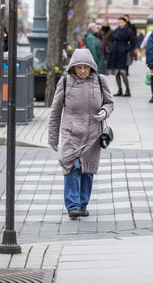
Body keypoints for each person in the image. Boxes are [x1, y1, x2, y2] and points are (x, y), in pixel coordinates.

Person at [48, 49, 114, 219]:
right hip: (71, 132)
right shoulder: (64, 82)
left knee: (87, 169)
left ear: (92, 67)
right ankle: (73, 206)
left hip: (93, 134)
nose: (83, 71)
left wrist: (104, 112)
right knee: (72, 167)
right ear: (73, 68)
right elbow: (55, 112)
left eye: (86, 67)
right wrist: (53, 137)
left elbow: (109, 103)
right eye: (79, 67)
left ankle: (83, 204)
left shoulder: (100, 81)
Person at [107, 17, 137, 96]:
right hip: (114, 53)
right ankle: (119, 90)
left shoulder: (129, 31)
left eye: (122, 22)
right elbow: (112, 40)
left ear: (125, 23)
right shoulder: (116, 30)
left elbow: (133, 43)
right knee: (116, 72)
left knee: (123, 72)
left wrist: (126, 49)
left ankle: (127, 90)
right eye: (119, 22)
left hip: (122, 53)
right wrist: (111, 47)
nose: (120, 24)